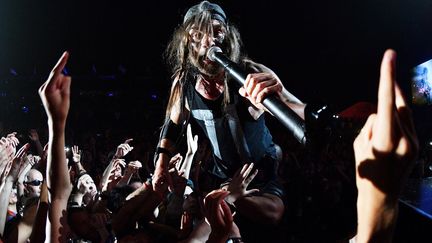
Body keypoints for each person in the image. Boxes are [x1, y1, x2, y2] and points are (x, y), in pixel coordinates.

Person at [152, 2, 306, 235]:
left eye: (216, 31)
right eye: (198, 34)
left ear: (227, 36)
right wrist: (161, 163)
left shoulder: (250, 72)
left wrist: (276, 99)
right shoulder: (183, 83)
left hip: (260, 173)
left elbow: (301, 114)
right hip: (222, 177)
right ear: (187, 41)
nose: (208, 41)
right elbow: (172, 124)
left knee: (272, 217)